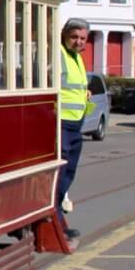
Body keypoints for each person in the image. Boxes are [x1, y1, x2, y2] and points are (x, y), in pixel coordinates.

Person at [55, 17, 90, 239]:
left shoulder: (77, 58)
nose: (78, 42)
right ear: (65, 36)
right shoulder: (59, 54)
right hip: (61, 122)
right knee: (60, 173)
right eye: (74, 37)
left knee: (69, 172)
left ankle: (58, 213)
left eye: (82, 38)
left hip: (76, 123)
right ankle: (57, 218)